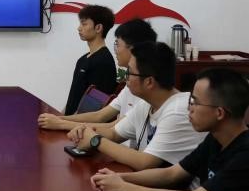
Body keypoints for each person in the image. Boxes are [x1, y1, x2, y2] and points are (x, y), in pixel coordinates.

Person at [91, 68, 249, 191]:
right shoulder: (215, 139)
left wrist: (123, 188)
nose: (189, 108)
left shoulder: (244, 155)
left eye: (194, 102)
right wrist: (120, 178)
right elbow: (171, 174)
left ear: (219, 113)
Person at [68, 42, 205, 171]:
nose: (125, 76)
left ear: (149, 82)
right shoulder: (146, 104)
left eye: (129, 71)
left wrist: (95, 140)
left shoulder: (178, 110)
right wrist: (86, 131)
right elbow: (114, 133)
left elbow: (145, 162)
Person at [39, 19, 156, 131]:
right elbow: (99, 115)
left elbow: (113, 128)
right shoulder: (129, 86)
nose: (115, 50)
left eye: (117, 44)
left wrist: (61, 123)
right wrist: (59, 119)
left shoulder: (146, 92)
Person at [63, 5, 117, 115]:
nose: (79, 28)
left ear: (98, 28)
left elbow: (95, 106)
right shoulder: (82, 59)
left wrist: (66, 121)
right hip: (69, 119)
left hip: (79, 123)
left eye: (84, 24)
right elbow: (74, 96)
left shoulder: (104, 61)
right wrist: (61, 115)